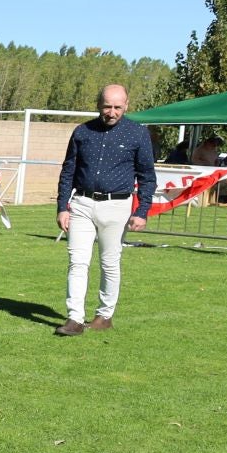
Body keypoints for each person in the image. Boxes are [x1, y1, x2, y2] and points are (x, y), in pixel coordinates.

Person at [55, 84, 155, 336]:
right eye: (107, 106)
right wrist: (62, 206)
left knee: (109, 262)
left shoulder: (138, 134)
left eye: (117, 107)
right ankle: (74, 319)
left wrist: (142, 210)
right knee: (77, 261)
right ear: (98, 104)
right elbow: (68, 171)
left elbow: (147, 176)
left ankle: (105, 314)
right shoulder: (82, 132)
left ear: (127, 105)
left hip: (117, 205)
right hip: (82, 204)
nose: (112, 112)